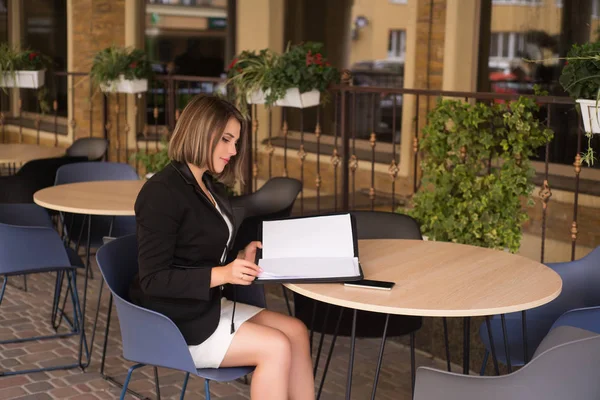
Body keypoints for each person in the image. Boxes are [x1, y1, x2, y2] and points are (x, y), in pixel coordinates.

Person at [129, 94, 315, 400]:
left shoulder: (205, 183)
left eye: (236, 141)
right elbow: (153, 279)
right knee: (277, 347)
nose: (234, 150)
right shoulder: (162, 192)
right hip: (174, 322)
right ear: (201, 133)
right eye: (227, 139)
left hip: (205, 307)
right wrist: (224, 274)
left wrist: (239, 258)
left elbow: (198, 250)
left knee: (296, 331)